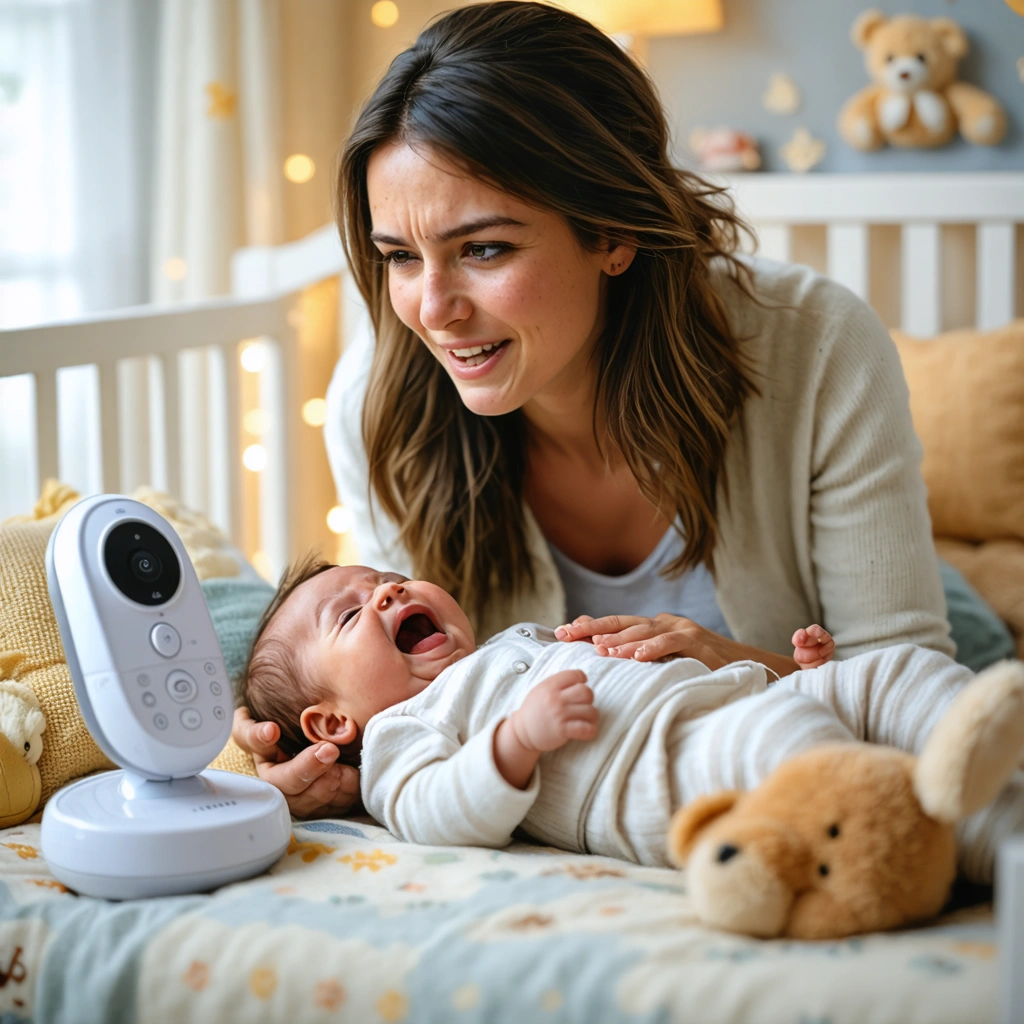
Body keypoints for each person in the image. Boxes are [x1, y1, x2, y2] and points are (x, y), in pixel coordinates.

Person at [232, 2, 953, 815]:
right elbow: (401, 711)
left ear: (610, 231)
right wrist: (302, 752)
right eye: (400, 256)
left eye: (483, 248)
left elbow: (910, 685)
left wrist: (731, 659)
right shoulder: (378, 407)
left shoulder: (819, 346)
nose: (433, 309)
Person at [242, 559, 1018, 882]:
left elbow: (667, 672)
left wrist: (794, 673)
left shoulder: (511, 639)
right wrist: (513, 744)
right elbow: (433, 814)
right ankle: (964, 843)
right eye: (350, 613)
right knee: (797, 752)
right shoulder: (400, 739)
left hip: (741, 701)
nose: (387, 593)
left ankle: (1003, 799)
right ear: (331, 722)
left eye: (390, 579)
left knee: (889, 676)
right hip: (672, 776)